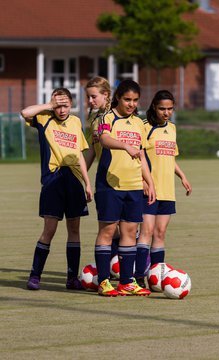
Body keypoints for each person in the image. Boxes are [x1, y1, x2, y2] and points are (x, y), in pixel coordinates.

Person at [21, 88, 93, 290]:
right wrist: (48, 105)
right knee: (49, 230)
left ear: (71, 105)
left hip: (74, 180)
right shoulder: (44, 117)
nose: (61, 110)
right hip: (53, 179)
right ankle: (35, 275)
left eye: (65, 105)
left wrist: (87, 183)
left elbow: (79, 154)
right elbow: (25, 113)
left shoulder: (76, 122)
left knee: (74, 229)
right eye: (58, 106)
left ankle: (72, 278)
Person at [94, 79, 156, 296]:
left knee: (130, 232)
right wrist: (125, 145)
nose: (131, 104)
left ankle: (127, 282)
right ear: (118, 98)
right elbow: (103, 139)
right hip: (109, 184)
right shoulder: (106, 117)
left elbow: (142, 157)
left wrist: (149, 182)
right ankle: (103, 282)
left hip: (133, 185)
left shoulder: (139, 123)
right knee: (108, 231)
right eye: (127, 99)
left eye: (135, 100)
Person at [134, 90, 192, 288]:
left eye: (169, 109)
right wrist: (143, 181)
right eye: (162, 109)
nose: (166, 113)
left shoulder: (172, 128)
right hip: (149, 190)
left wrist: (182, 176)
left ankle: (156, 278)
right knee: (146, 232)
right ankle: (138, 278)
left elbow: (170, 157)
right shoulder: (143, 126)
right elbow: (136, 156)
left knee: (160, 233)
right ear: (154, 107)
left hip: (167, 191)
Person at [84, 76, 120, 259]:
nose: (90, 101)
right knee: (110, 227)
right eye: (88, 97)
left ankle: (137, 268)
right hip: (103, 177)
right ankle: (114, 267)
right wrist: (81, 174)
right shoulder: (94, 118)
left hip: (122, 177)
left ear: (106, 95)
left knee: (127, 227)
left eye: (94, 96)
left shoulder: (117, 115)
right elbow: (91, 149)